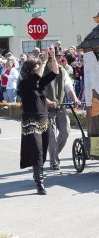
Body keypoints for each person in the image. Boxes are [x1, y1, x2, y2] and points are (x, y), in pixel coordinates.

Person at [17, 47, 59, 195]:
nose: (38, 72)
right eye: (36, 69)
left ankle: (37, 174)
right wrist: (44, 61)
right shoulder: (24, 84)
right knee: (37, 151)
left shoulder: (39, 84)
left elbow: (55, 72)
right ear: (29, 71)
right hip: (30, 121)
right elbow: (38, 75)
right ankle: (39, 183)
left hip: (44, 119)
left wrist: (53, 57)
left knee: (43, 150)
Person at [44, 52, 81, 171]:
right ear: (49, 62)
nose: (57, 62)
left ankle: (54, 155)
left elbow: (69, 86)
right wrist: (47, 101)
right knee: (52, 136)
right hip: (47, 109)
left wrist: (75, 99)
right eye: (54, 60)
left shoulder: (62, 71)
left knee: (65, 132)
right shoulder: (41, 72)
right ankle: (54, 161)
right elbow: (37, 91)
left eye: (58, 59)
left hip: (60, 106)